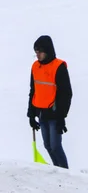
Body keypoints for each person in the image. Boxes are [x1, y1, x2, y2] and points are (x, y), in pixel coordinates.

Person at [27, 35, 73, 169]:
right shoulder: (35, 67)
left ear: (48, 50)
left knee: (55, 146)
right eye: (36, 51)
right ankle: (57, 171)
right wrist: (31, 114)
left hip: (54, 114)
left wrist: (61, 117)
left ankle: (65, 173)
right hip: (41, 113)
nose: (37, 54)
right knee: (48, 146)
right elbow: (33, 90)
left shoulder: (59, 67)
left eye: (40, 51)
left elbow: (66, 94)